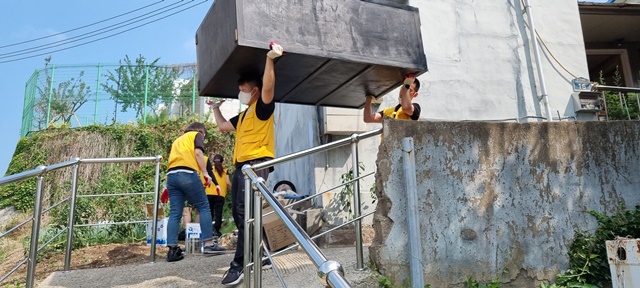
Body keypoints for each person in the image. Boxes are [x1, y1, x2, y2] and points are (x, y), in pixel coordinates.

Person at [207, 42, 283, 286]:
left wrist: (270, 59)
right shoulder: (243, 115)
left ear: (255, 91)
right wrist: (216, 109)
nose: (240, 93)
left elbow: (269, 85)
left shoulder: (262, 108)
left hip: (255, 165)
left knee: (243, 212)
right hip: (242, 168)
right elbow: (221, 127)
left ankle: (239, 265)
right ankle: (261, 254)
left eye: (243, 89)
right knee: (245, 214)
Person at [165, 122, 224, 262]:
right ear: (201, 131)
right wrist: (205, 173)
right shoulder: (197, 135)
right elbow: (198, 153)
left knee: (175, 212)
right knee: (203, 206)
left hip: (171, 175)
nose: (204, 137)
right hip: (187, 173)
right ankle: (209, 244)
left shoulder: (177, 140)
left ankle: (172, 250)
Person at [208, 154, 230, 239]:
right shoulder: (225, 170)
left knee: (209, 213)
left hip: (209, 193)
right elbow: (228, 183)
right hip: (220, 194)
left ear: (213, 162)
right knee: (218, 214)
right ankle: (216, 231)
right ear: (222, 161)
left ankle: (209, 231)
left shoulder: (210, 170)